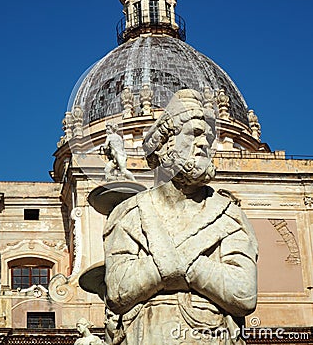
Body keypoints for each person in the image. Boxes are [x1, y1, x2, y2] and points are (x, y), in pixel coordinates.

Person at [103, 89, 258, 344]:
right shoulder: (127, 215)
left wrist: (171, 266)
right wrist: (195, 268)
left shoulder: (230, 216)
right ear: (165, 146)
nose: (204, 144)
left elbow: (243, 294)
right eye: (195, 134)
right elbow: (118, 291)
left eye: (208, 137)